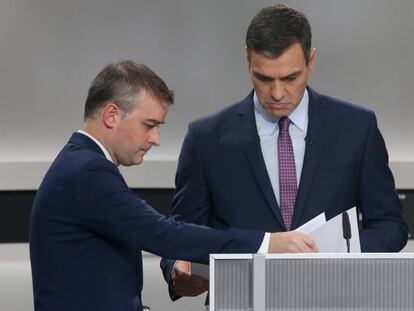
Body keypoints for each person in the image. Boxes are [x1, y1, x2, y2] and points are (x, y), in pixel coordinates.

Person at [161, 3, 408, 301]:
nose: (277, 93)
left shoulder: (357, 127)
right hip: (241, 302)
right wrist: (177, 268)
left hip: (335, 300)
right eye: (264, 78)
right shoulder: (206, 138)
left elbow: (390, 225)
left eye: (290, 78)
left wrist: (338, 256)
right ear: (247, 61)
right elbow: (180, 233)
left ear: (311, 61)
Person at [28, 61, 307, 311]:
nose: (156, 139)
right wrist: (267, 243)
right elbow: (161, 234)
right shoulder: (87, 171)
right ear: (111, 115)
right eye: (149, 125)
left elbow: (94, 276)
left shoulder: (80, 165)